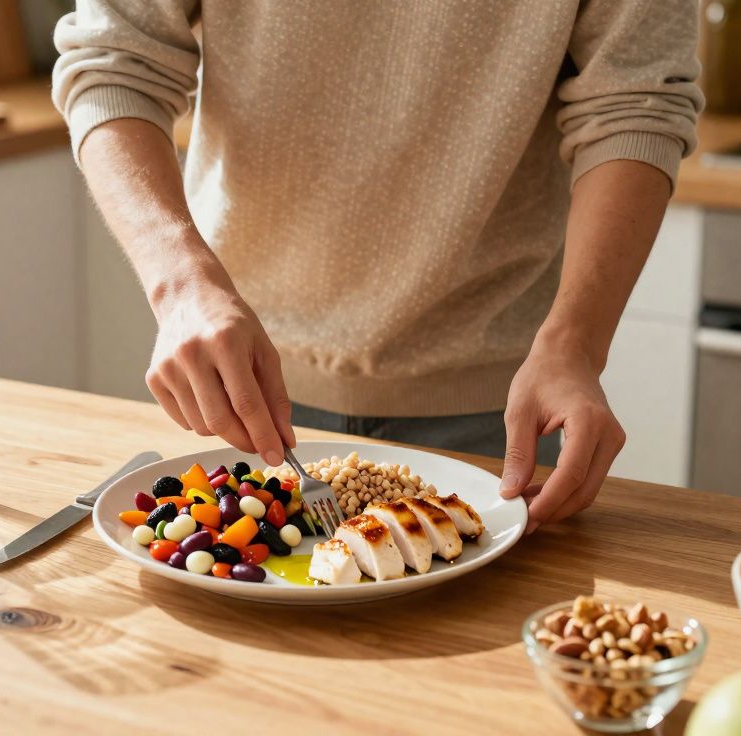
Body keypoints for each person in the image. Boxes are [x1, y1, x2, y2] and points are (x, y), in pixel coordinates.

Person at [53, 1, 702, 531]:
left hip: (502, 406)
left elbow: (636, 105)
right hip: (241, 378)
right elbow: (115, 63)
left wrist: (577, 344)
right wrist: (181, 285)